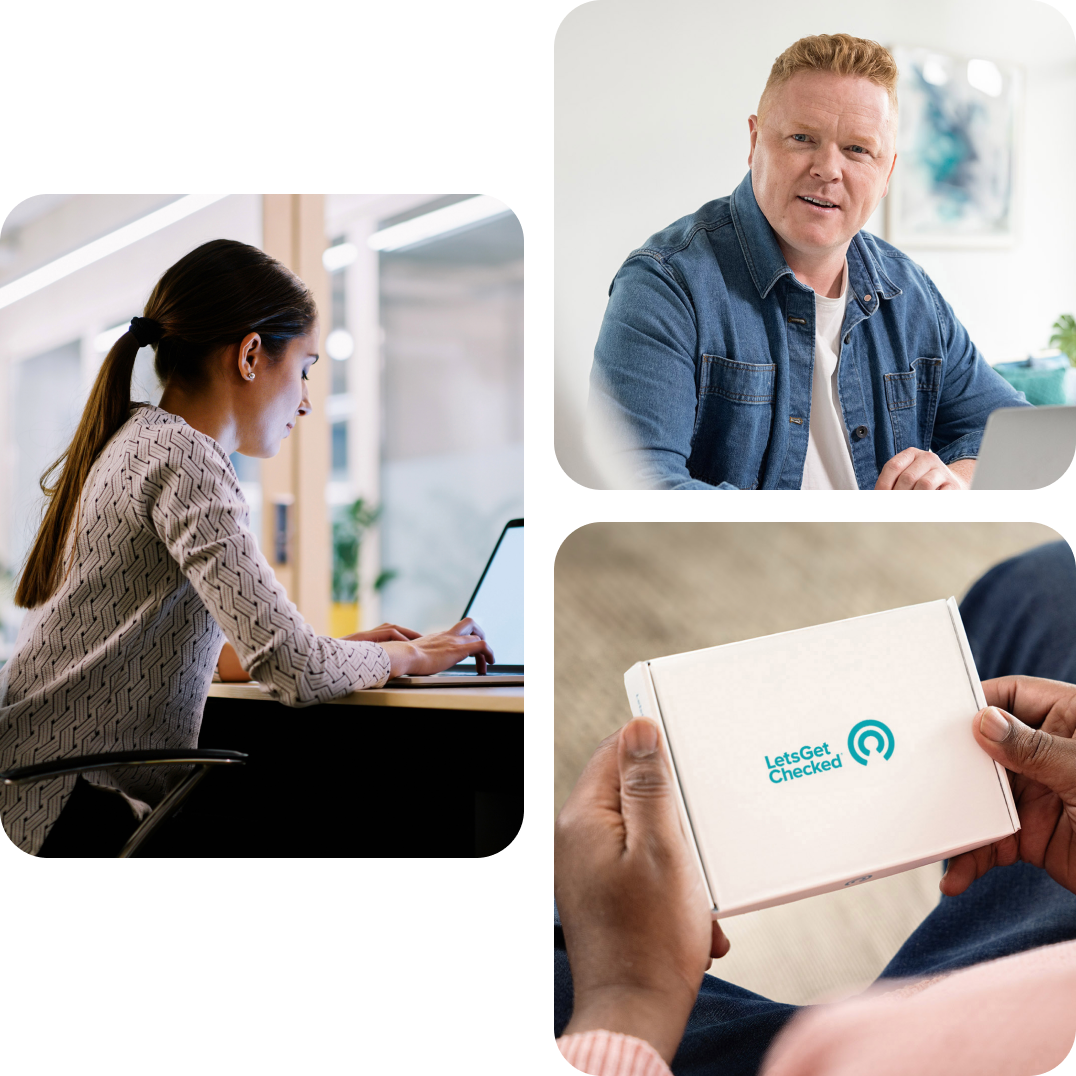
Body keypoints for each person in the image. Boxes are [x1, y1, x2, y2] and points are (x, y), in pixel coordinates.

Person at [0, 238, 494, 858]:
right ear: (252, 354)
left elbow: (189, 644)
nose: (309, 400)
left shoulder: (135, 437)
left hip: (32, 788)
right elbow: (293, 670)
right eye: (307, 366)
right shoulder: (186, 459)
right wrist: (415, 658)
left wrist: (342, 649)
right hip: (64, 807)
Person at [554, 539, 1076, 1075]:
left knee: (575, 914)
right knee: (1052, 581)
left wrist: (629, 993)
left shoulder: (840, 1051)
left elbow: (849, 1055)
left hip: (883, 1050)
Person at [585, 34, 1032, 490]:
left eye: (858, 149)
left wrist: (954, 479)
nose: (828, 169)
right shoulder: (666, 283)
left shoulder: (910, 293)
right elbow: (636, 483)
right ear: (756, 141)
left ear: (886, 174)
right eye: (802, 138)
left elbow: (1017, 435)